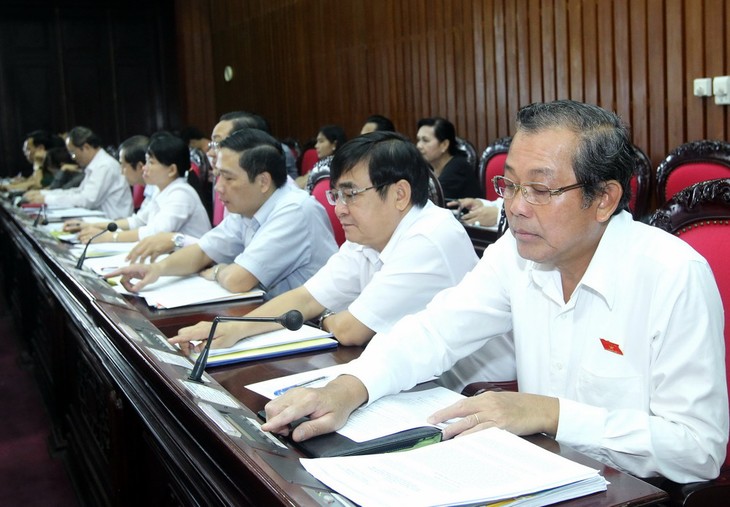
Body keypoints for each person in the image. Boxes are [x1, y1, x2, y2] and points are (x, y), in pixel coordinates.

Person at [262, 100, 728, 484]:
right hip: (530, 473)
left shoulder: (671, 274)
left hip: (631, 492)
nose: (515, 209)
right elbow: (436, 330)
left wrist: (549, 412)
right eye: (509, 186)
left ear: (604, 198)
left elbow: (697, 449)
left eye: (540, 190)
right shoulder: (518, 252)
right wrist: (349, 387)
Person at [170, 133, 514, 385]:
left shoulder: (429, 237)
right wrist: (232, 329)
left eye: (351, 194)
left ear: (399, 194)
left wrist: (327, 317)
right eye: (337, 194)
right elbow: (307, 297)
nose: (339, 208)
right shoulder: (368, 233)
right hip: (414, 379)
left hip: (474, 390)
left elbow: (350, 330)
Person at [107, 128, 338, 299]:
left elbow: (238, 280)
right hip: (272, 315)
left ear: (263, 181)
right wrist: (156, 269)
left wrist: (216, 270)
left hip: (314, 329)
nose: (218, 188)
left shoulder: (294, 210)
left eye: (228, 178)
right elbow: (201, 252)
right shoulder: (249, 205)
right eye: (218, 176)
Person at [69, 133, 211, 244]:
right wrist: (97, 227)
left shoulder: (181, 194)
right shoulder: (160, 189)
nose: (145, 168)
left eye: (151, 162)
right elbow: (138, 221)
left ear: (172, 170)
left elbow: (154, 232)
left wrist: (109, 237)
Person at [24, 126, 133, 219]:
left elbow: (87, 200)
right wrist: (44, 194)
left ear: (85, 147)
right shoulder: (97, 164)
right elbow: (79, 192)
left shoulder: (104, 166)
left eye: (73, 153)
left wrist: (47, 199)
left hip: (113, 225)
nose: (73, 158)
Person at [416, 117, 482, 199]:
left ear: (444, 145)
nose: (419, 146)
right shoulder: (427, 167)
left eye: (425, 141)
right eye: (418, 140)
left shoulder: (458, 168)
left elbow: (431, 199)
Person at [296, 125, 347, 192]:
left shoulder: (324, 165)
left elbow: (301, 188)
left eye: (321, 141)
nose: (316, 146)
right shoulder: (348, 162)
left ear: (334, 144)